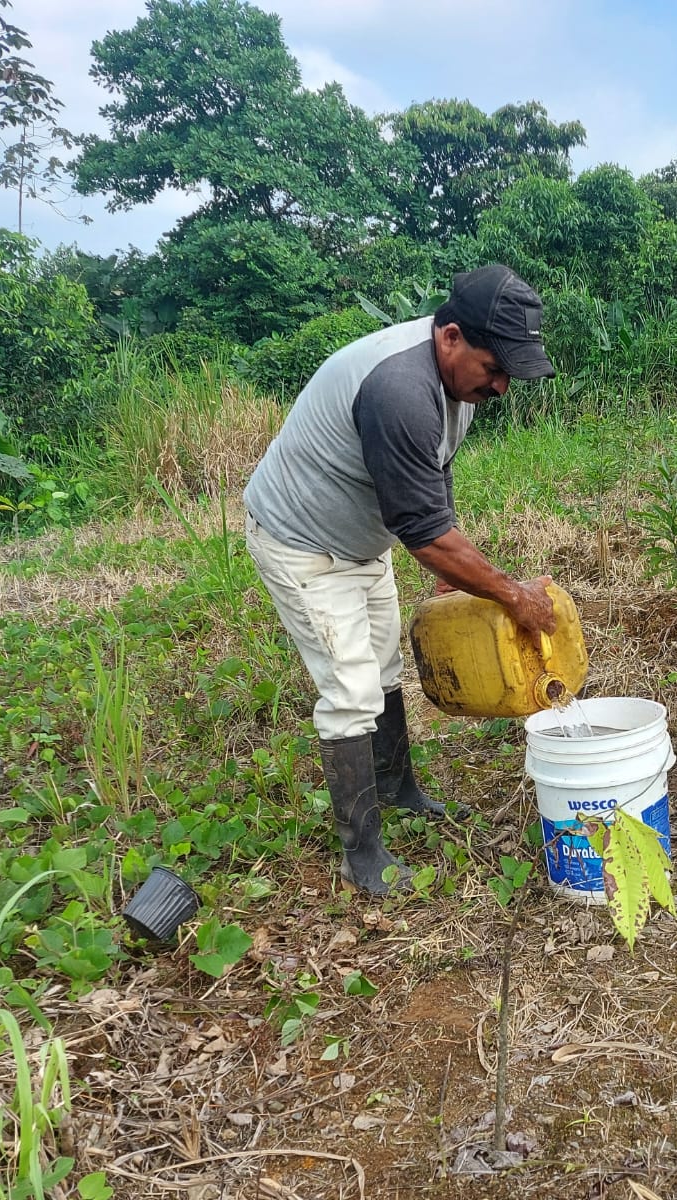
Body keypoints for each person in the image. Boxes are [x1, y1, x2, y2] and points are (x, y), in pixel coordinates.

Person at [243, 265, 560, 892]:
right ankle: (362, 855)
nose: (501, 386)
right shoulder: (399, 389)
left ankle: (398, 789)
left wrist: (451, 563)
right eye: (495, 368)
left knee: (385, 666)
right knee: (352, 690)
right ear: (451, 336)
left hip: (365, 542)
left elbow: (433, 475)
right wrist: (507, 592)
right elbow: (421, 527)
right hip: (303, 543)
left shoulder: (456, 384)